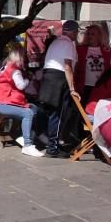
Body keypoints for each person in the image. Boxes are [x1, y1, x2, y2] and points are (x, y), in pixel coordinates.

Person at [0, 46, 43, 157]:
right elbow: (21, 85)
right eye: (24, 58)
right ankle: (27, 145)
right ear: (20, 57)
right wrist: (28, 79)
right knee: (28, 113)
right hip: (1, 102)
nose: (25, 60)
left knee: (33, 109)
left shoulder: (5, 67)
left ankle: (26, 137)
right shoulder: (14, 71)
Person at [37, 20, 80, 158]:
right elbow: (67, 67)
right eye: (77, 32)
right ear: (74, 32)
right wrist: (72, 88)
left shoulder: (56, 42)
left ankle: (52, 144)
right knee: (58, 115)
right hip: (59, 79)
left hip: (48, 77)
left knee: (51, 113)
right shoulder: (68, 44)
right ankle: (52, 148)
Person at [75, 24, 111, 103]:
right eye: (88, 34)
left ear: (99, 36)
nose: (90, 36)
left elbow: (109, 67)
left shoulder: (106, 50)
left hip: (100, 85)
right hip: (84, 85)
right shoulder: (80, 49)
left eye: (93, 34)